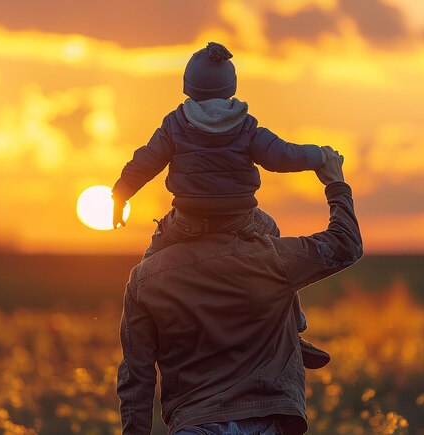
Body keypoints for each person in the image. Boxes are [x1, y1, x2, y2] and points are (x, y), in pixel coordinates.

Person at [112, 42, 331, 369]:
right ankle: (293, 327)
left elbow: (145, 161)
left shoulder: (176, 123)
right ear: (231, 86)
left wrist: (120, 195)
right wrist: (320, 155)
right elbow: (282, 155)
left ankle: (145, 328)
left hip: (187, 221)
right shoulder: (245, 125)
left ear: (188, 86)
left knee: (150, 263)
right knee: (274, 243)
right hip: (241, 221)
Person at [117, 147, 363, 434]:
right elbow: (346, 244)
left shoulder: (146, 279)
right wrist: (336, 184)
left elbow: (137, 377)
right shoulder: (272, 257)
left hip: (194, 424)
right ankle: (298, 334)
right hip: (268, 421)